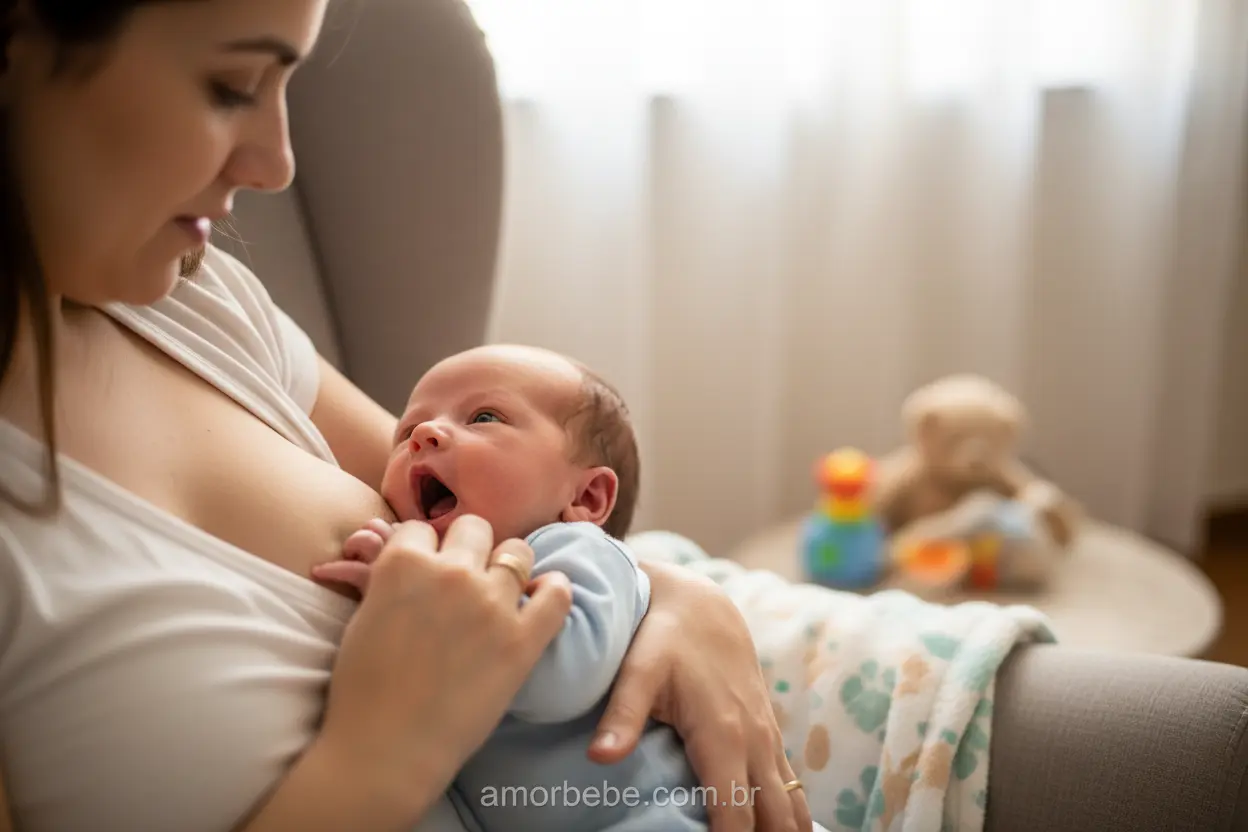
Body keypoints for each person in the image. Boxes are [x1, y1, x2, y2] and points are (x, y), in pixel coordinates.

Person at [0, 2, 814, 831]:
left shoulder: (190, 293)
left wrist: (680, 600)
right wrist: (384, 753)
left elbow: (518, 515)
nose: (278, 164)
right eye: (231, 83)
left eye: (287, 84)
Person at [313, 343, 711, 831]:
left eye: (483, 416)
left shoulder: (576, 549)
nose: (425, 435)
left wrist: (412, 599)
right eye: (407, 431)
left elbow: (563, 680)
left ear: (586, 497)